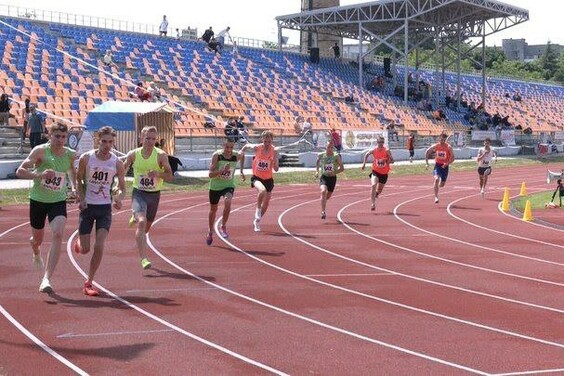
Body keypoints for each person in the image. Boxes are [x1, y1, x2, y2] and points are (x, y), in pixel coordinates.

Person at [16, 122, 77, 293]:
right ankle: (35, 250)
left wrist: (74, 188)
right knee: (38, 239)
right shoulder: (40, 151)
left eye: (63, 137)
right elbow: (20, 171)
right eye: (57, 136)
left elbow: (72, 172)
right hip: (38, 200)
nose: (60, 140)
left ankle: (47, 278)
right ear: (50, 136)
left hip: (58, 200)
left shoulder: (70, 155)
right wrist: (39, 174)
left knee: (58, 233)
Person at [73, 126, 126, 296]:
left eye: (110, 142)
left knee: (100, 244)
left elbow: (123, 188)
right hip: (88, 207)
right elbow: (79, 179)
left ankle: (89, 282)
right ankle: (80, 244)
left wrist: (118, 198)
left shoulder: (117, 163)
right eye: (104, 141)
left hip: (104, 208)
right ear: (98, 140)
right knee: (86, 249)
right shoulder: (86, 158)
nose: (107, 145)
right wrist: (81, 197)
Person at [124, 126, 173, 270]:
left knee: (145, 229)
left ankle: (136, 217)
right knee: (141, 222)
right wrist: (118, 184)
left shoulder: (161, 155)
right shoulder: (133, 154)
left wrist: (158, 174)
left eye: (153, 139)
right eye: (148, 138)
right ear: (141, 139)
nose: (151, 141)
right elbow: (123, 169)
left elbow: (170, 176)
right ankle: (143, 258)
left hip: (154, 195)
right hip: (139, 192)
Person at [206, 139, 246, 245]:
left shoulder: (235, 156)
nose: (229, 150)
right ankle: (210, 231)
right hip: (215, 186)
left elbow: (243, 154)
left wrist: (241, 170)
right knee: (213, 210)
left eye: (231, 147)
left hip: (228, 185)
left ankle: (223, 226)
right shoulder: (217, 156)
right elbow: (210, 174)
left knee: (228, 202)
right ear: (222, 146)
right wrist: (222, 171)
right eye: (227, 147)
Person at [240, 131, 279, 232]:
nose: (267, 144)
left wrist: (274, 161)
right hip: (257, 177)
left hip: (269, 179)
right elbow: (247, 145)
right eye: (265, 141)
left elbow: (276, 169)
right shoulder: (258, 147)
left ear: (272, 141)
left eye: (269, 142)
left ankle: (257, 221)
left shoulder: (274, 150)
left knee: (266, 204)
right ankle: (257, 210)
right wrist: (241, 150)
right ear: (262, 140)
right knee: (262, 191)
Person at [362, 136, 394, 211]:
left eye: (382, 142)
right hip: (375, 171)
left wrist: (386, 162)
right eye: (379, 142)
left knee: (379, 190)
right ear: (377, 142)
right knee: (373, 185)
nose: (381, 144)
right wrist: (364, 164)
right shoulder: (374, 150)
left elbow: (393, 160)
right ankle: (373, 204)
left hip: (384, 173)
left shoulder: (387, 150)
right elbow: (367, 154)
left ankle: (376, 194)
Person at [315, 140, 344, 219]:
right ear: (326, 147)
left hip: (332, 178)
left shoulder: (336, 156)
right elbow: (317, 161)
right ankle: (323, 212)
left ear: (333, 148)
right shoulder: (321, 155)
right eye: (328, 147)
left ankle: (323, 201)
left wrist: (335, 172)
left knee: (327, 196)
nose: (329, 149)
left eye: (331, 147)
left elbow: (342, 168)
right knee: (323, 191)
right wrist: (317, 171)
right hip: (324, 177)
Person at [425, 133, 455, 204]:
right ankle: (436, 197)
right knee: (436, 179)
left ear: (445, 140)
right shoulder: (436, 146)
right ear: (439, 138)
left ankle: (437, 186)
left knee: (442, 184)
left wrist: (447, 163)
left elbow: (453, 158)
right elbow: (427, 152)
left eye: (444, 139)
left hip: (445, 166)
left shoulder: (449, 147)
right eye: (441, 139)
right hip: (438, 165)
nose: (442, 140)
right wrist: (426, 162)